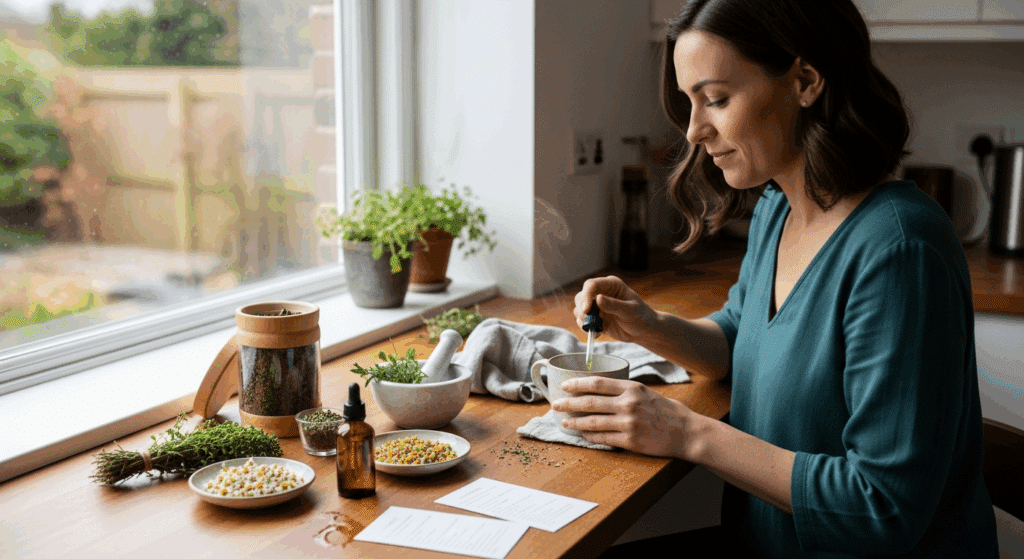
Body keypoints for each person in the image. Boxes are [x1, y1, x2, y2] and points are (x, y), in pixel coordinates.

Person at [554, 1, 1000, 557]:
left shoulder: (900, 250)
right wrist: (648, 325)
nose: (694, 131)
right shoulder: (778, 208)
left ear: (805, 81)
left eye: (715, 99)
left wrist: (687, 433)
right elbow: (743, 340)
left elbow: (882, 507)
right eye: (690, 102)